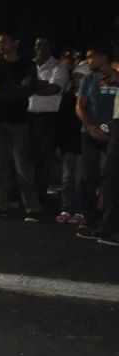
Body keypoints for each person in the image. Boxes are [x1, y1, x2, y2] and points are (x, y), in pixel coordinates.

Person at [0, 32, 43, 221]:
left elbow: (30, 90)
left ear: (16, 42)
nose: (1, 45)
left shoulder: (28, 65)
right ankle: (0, 204)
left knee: (22, 165)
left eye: (5, 42)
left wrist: (2, 89)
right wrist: (17, 89)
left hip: (19, 120)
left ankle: (32, 207)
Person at [76, 47, 117, 238]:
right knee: (88, 177)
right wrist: (92, 127)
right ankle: (89, 218)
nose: (88, 60)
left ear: (104, 57)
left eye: (92, 56)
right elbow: (80, 106)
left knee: (110, 178)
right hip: (91, 133)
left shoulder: (117, 77)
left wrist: (106, 128)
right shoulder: (89, 79)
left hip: (113, 133)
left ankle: (107, 220)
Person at [26, 37, 67, 204]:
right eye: (37, 44)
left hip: (47, 118)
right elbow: (19, 86)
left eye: (43, 44)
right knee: (26, 156)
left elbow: (54, 89)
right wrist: (39, 85)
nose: (39, 47)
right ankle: (26, 192)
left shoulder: (58, 67)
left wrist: (31, 87)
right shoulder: (28, 65)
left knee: (44, 157)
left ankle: (40, 193)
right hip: (27, 116)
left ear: (51, 47)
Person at [54, 49, 82, 223]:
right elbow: (62, 122)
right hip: (69, 142)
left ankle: (80, 210)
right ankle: (66, 209)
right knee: (66, 178)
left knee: (80, 179)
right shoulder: (67, 96)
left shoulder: (87, 97)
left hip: (84, 140)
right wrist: (59, 143)